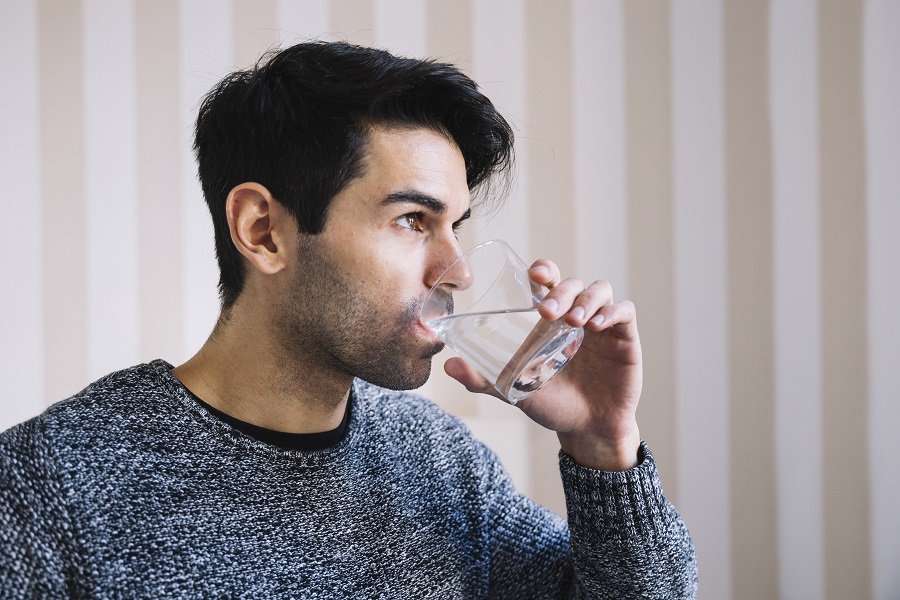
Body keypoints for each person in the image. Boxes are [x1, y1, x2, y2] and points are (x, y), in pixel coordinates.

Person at [0, 42, 697, 598]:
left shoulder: (440, 464)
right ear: (262, 229)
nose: (458, 271)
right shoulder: (46, 488)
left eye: (456, 225)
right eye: (411, 220)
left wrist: (604, 448)